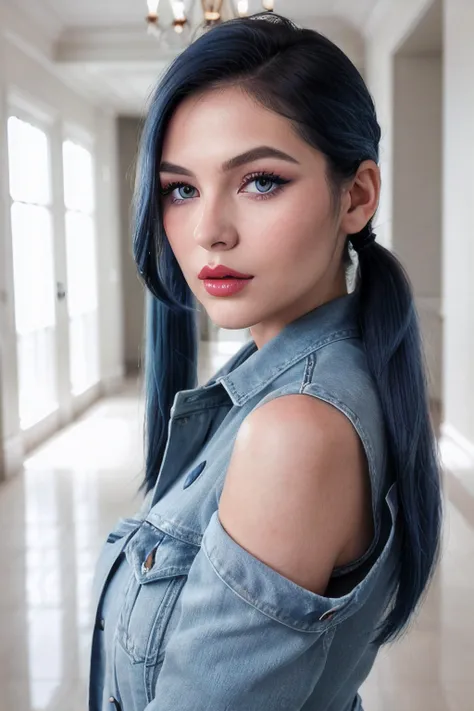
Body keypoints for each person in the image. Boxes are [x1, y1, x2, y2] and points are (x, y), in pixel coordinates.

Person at [89, 12, 443, 711]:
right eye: (181, 189)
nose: (209, 230)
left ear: (357, 195)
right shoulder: (292, 385)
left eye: (260, 181)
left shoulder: (296, 430)